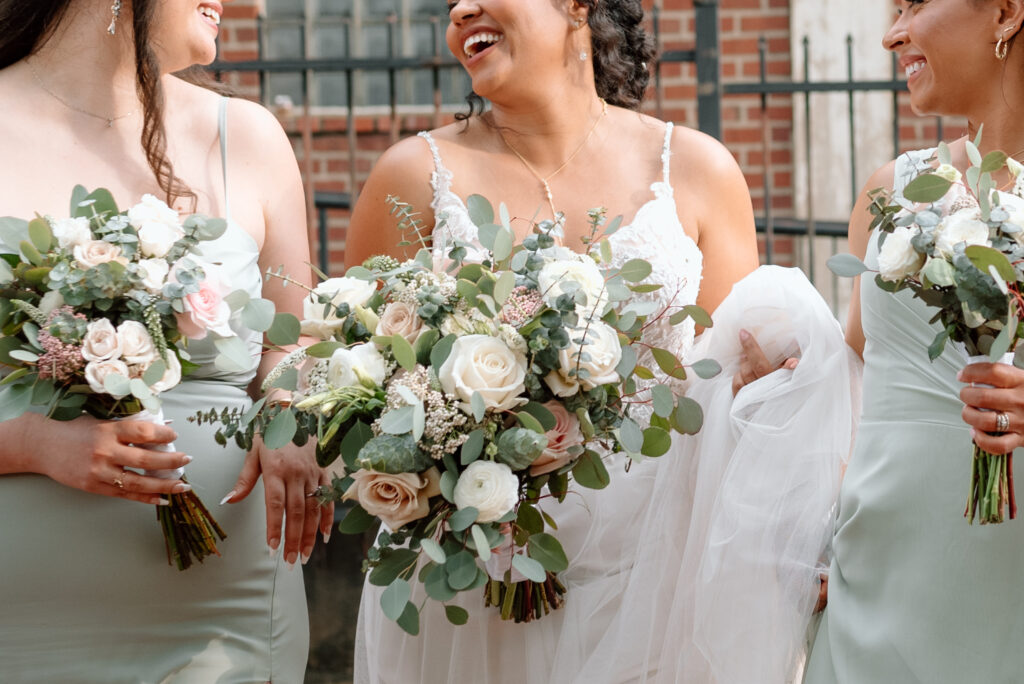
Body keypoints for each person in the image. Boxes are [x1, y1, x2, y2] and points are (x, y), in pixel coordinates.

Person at [344, 1, 858, 682]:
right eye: (447, 5)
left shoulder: (697, 170)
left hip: (657, 576)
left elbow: (732, 384)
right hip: (471, 588)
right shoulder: (411, 177)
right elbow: (365, 382)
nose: (461, 9)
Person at [0, 0, 332, 680]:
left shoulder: (247, 136)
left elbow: (298, 343)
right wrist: (33, 444)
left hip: (229, 612)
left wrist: (291, 409)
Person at [805, 1, 1024, 681]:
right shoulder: (890, 194)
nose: (891, 33)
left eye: (914, 5)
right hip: (880, 563)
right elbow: (857, 370)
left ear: (1005, 13)